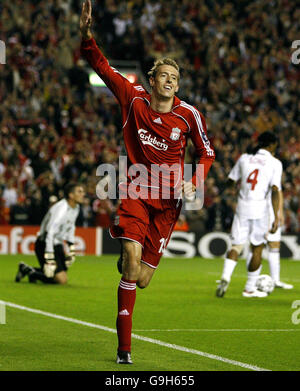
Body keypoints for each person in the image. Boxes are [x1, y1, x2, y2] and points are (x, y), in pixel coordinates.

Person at [80, 0, 215, 364]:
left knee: (140, 278)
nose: (170, 81)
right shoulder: (133, 98)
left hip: (169, 204)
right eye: (164, 76)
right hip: (136, 191)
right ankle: (124, 349)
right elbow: (103, 68)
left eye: (176, 77)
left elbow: (207, 153)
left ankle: (130, 256)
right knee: (130, 258)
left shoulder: (189, 116)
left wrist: (194, 181)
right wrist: (87, 37)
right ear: (152, 81)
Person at [216, 131, 281, 298]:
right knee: (257, 247)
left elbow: (230, 181)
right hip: (260, 209)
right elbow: (274, 190)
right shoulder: (275, 163)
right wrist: (276, 216)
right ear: (272, 145)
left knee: (236, 245)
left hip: (243, 206)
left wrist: (231, 192)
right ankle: (250, 288)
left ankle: (225, 276)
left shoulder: (244, 158)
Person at [15, 183, 85, 285]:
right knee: (61, 280)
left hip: (57, 244)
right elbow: (50, 232)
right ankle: (31, 273)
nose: (83, 194)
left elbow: (71, 227)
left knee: (61, 275)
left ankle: (26, 269)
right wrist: (49, 258)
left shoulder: (76, 208)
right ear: (71, 195)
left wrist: (71, 248)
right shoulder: (61, 208)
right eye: (80, 191)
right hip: (44, 243)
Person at [264, 190, 293, 289]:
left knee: (259, 246)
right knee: (261, 246)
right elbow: (278, 191)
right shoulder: (274, 174)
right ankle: (253, 282)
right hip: (268, 211)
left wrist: (279, 212)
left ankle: (274, 280)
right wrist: (279, 212)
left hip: (260, 210)